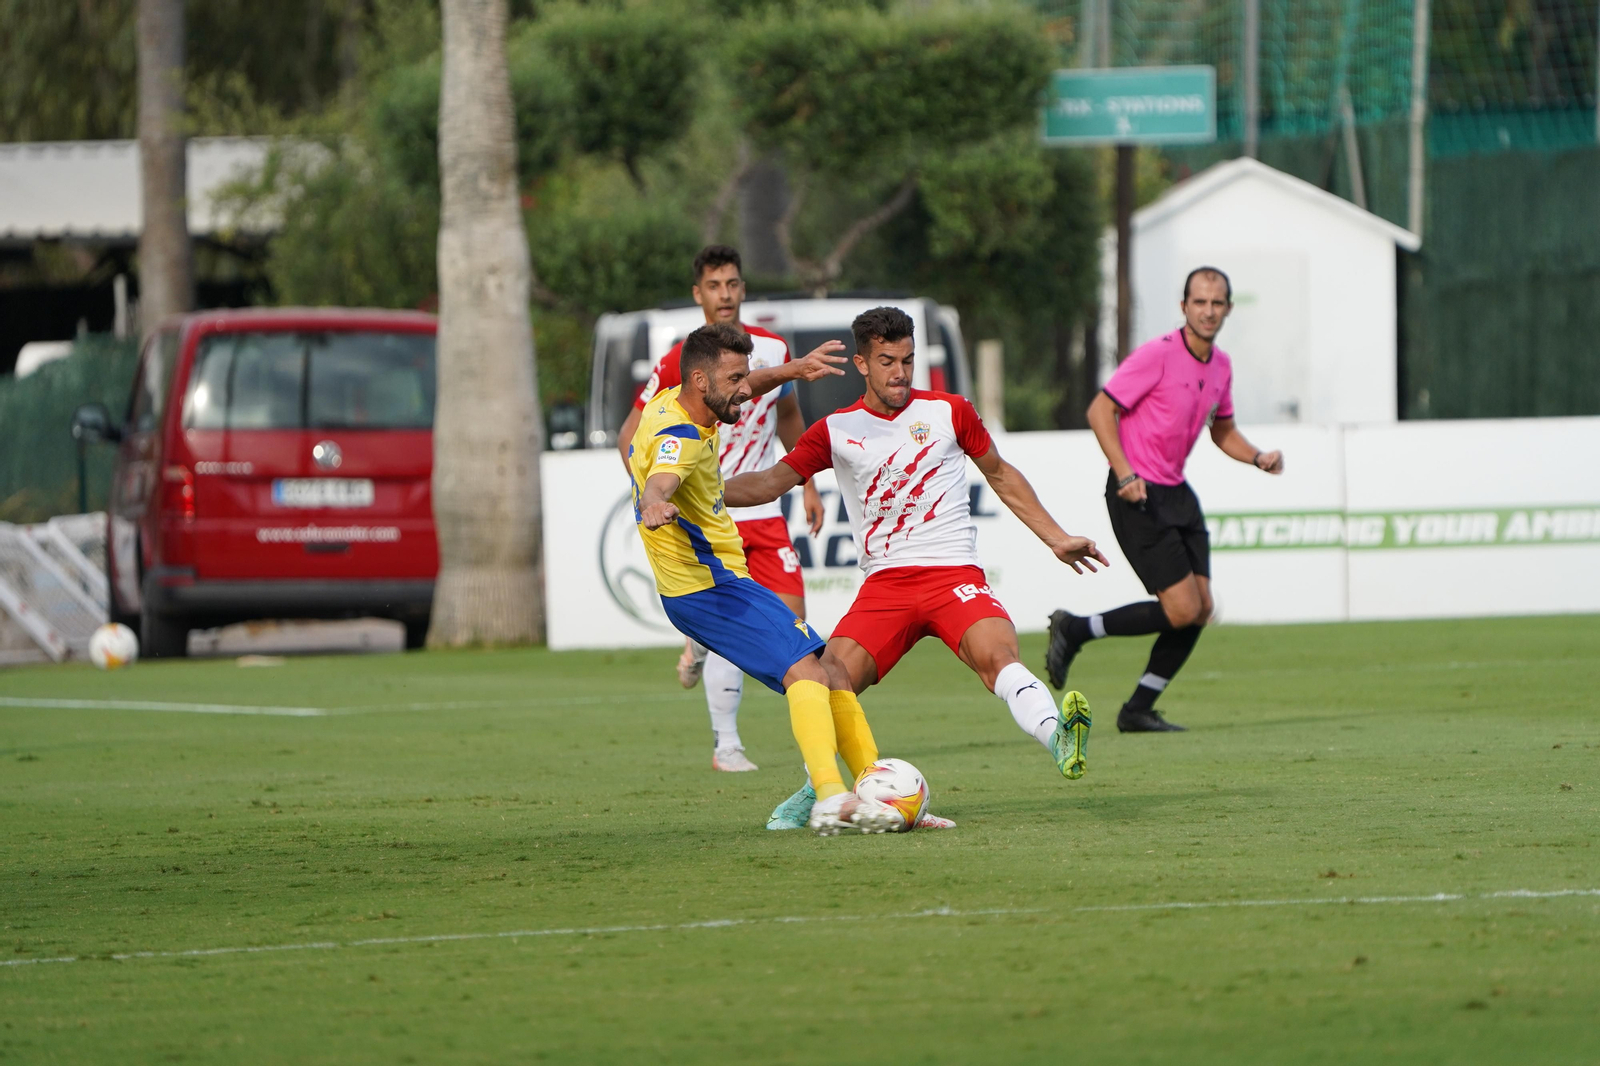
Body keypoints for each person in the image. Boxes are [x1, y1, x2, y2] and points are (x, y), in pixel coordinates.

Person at [724, 307, 1109, 831]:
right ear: (861, 362)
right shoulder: (835, 430)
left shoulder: (951, 412)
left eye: (907, 360)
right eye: (886, 361)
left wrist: (1056, 537)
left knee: (998, 656)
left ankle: (1057, 735)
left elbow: (1000, 473)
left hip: (954, 576)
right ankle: (821, 790)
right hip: (886, 584)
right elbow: (769, 483)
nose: (900, 372)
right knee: (828, 678)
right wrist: (706, 492)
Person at [628, 322, 896, 835]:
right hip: (706, 589)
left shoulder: (676, 399)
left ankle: (875, 789)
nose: (745, 388)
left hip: (722, 581)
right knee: (807, 675)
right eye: (735, 378)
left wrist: (792, 370)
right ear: (702, 382)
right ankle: (829, 799)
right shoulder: (680, 437)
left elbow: (747, 385)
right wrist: (654, 502)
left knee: (832, 670)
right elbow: (662, 478)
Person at [617, 245, 836, 773]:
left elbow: (783, 410)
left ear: (743, 289)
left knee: (795, 631)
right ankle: (730, 745)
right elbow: (633, 434)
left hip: (755, 504)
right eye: (714, 285)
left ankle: (817, 769)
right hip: (701, 512)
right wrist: (651, 496)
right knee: (750, 635)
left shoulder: (769, 350)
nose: (725, 294)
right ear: (699, 294)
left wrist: (803, 479)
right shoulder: (680, 360)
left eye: (733, 284)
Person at [1045, 266, 1284, 732]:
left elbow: (1223, 431)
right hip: (1136, 494)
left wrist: (1257, 458)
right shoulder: (1157, 355)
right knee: (1181, 609)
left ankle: (1138, 708)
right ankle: (1076, 628)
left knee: (1201, 608)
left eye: (1217, 303)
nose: (1209, 311)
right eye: (1200, 302)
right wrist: (1125, 473)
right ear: (1184, 307)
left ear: (1228, 309)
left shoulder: (1222, 366)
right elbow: (1100, 410)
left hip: (1176, 493)